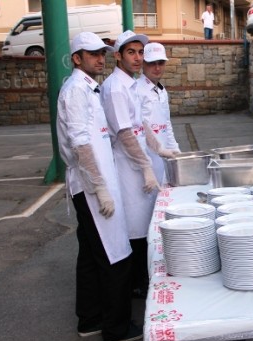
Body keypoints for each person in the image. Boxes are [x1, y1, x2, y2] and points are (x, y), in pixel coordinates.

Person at [56, 32, 142, 341]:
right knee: (115, 253)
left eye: (102, 53)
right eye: (91, 54)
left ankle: (90, 319)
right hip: (93, 188)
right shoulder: (77, 90)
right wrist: (100, 188)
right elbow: (80, 143)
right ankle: (116, 329)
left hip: (95, 183)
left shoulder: (88, 88)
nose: (99, 58)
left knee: (91, 257)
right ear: (76, 58)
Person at [101, 30, 164, 301]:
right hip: (127, 167)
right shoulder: (116, 87)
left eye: (140, 52)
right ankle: (137, 284)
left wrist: (161, 150)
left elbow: (142, 125)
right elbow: (125, 134)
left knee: (145, 220)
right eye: (131, 52)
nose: (138, 58)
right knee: (135, 225)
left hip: (139, 161)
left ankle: (143, 277)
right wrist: (146, 166)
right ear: (118, 56)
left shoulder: (133, 83)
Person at [137, 42, 181, 186]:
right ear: (143, 63)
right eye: (152, 63)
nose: (157, 68)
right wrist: (146, 166)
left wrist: (175, 149)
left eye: (160, 63)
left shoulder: (162, 91)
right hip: (146, 159)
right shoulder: (136, 90)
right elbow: (137, 129)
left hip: (164, 157)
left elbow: (166, 123)